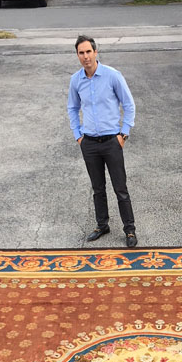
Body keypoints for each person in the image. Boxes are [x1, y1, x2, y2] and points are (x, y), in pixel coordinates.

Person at [67, 35, 138, 248]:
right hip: (89, 143)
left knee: (120, 187)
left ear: (96, 52)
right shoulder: (76, 80)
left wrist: (123, 134)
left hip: (111, 141)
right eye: (81, 53)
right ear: (77, 55)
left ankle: (130, 229)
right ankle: (102, 225)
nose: (86, 56)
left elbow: (129, 104)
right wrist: (78, 135)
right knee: (97, 187)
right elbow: (72, 107)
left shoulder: (112, 76)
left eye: (89, 51)